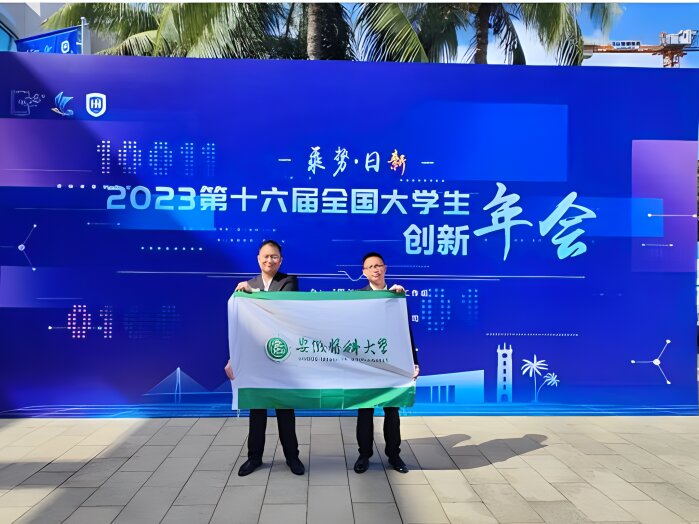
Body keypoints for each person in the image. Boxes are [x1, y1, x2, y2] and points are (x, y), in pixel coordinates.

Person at [224, 239, 305, 477]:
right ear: (258, 259)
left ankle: (292, 457)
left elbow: (281, 306)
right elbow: (240, 327)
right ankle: (254, 458)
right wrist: (233, 358)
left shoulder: (289, 281)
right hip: (256, 357)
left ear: (281, 260)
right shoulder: (247, 285)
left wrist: (254, 294)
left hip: (282, 355)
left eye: (274, 256)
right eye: (266, 256)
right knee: (257, 410)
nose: (270, 260)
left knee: (285, 410)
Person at [354, 251, 420, 474]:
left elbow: (405, 331)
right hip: (366, 362)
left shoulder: (397, 296)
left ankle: (394, 455)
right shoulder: (357, 297)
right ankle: (364, 455)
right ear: (364, 272)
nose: (375, 269)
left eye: (378, 265)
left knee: (392, 410)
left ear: (385, 268)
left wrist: (413, 361)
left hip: (392, 361)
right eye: (370, 266)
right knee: (365, 410)